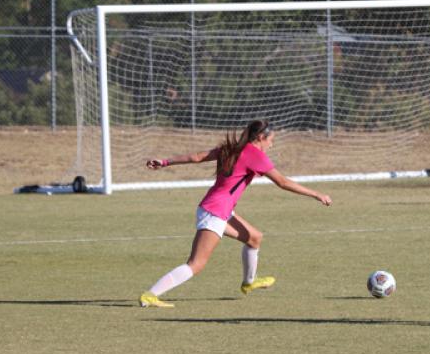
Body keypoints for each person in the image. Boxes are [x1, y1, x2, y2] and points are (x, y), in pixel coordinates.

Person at [139, 119, 332, 308]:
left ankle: (249, 282)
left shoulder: (231, 148)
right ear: (260, 137)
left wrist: (165, 162)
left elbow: (196, 157)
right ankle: (151, 294)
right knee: (196, 264)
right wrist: (316, 194)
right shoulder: (255, 155)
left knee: (254, 238)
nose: (271, 145)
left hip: (217, 208)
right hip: (215, 212)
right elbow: (282, 182)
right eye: (271, 139)